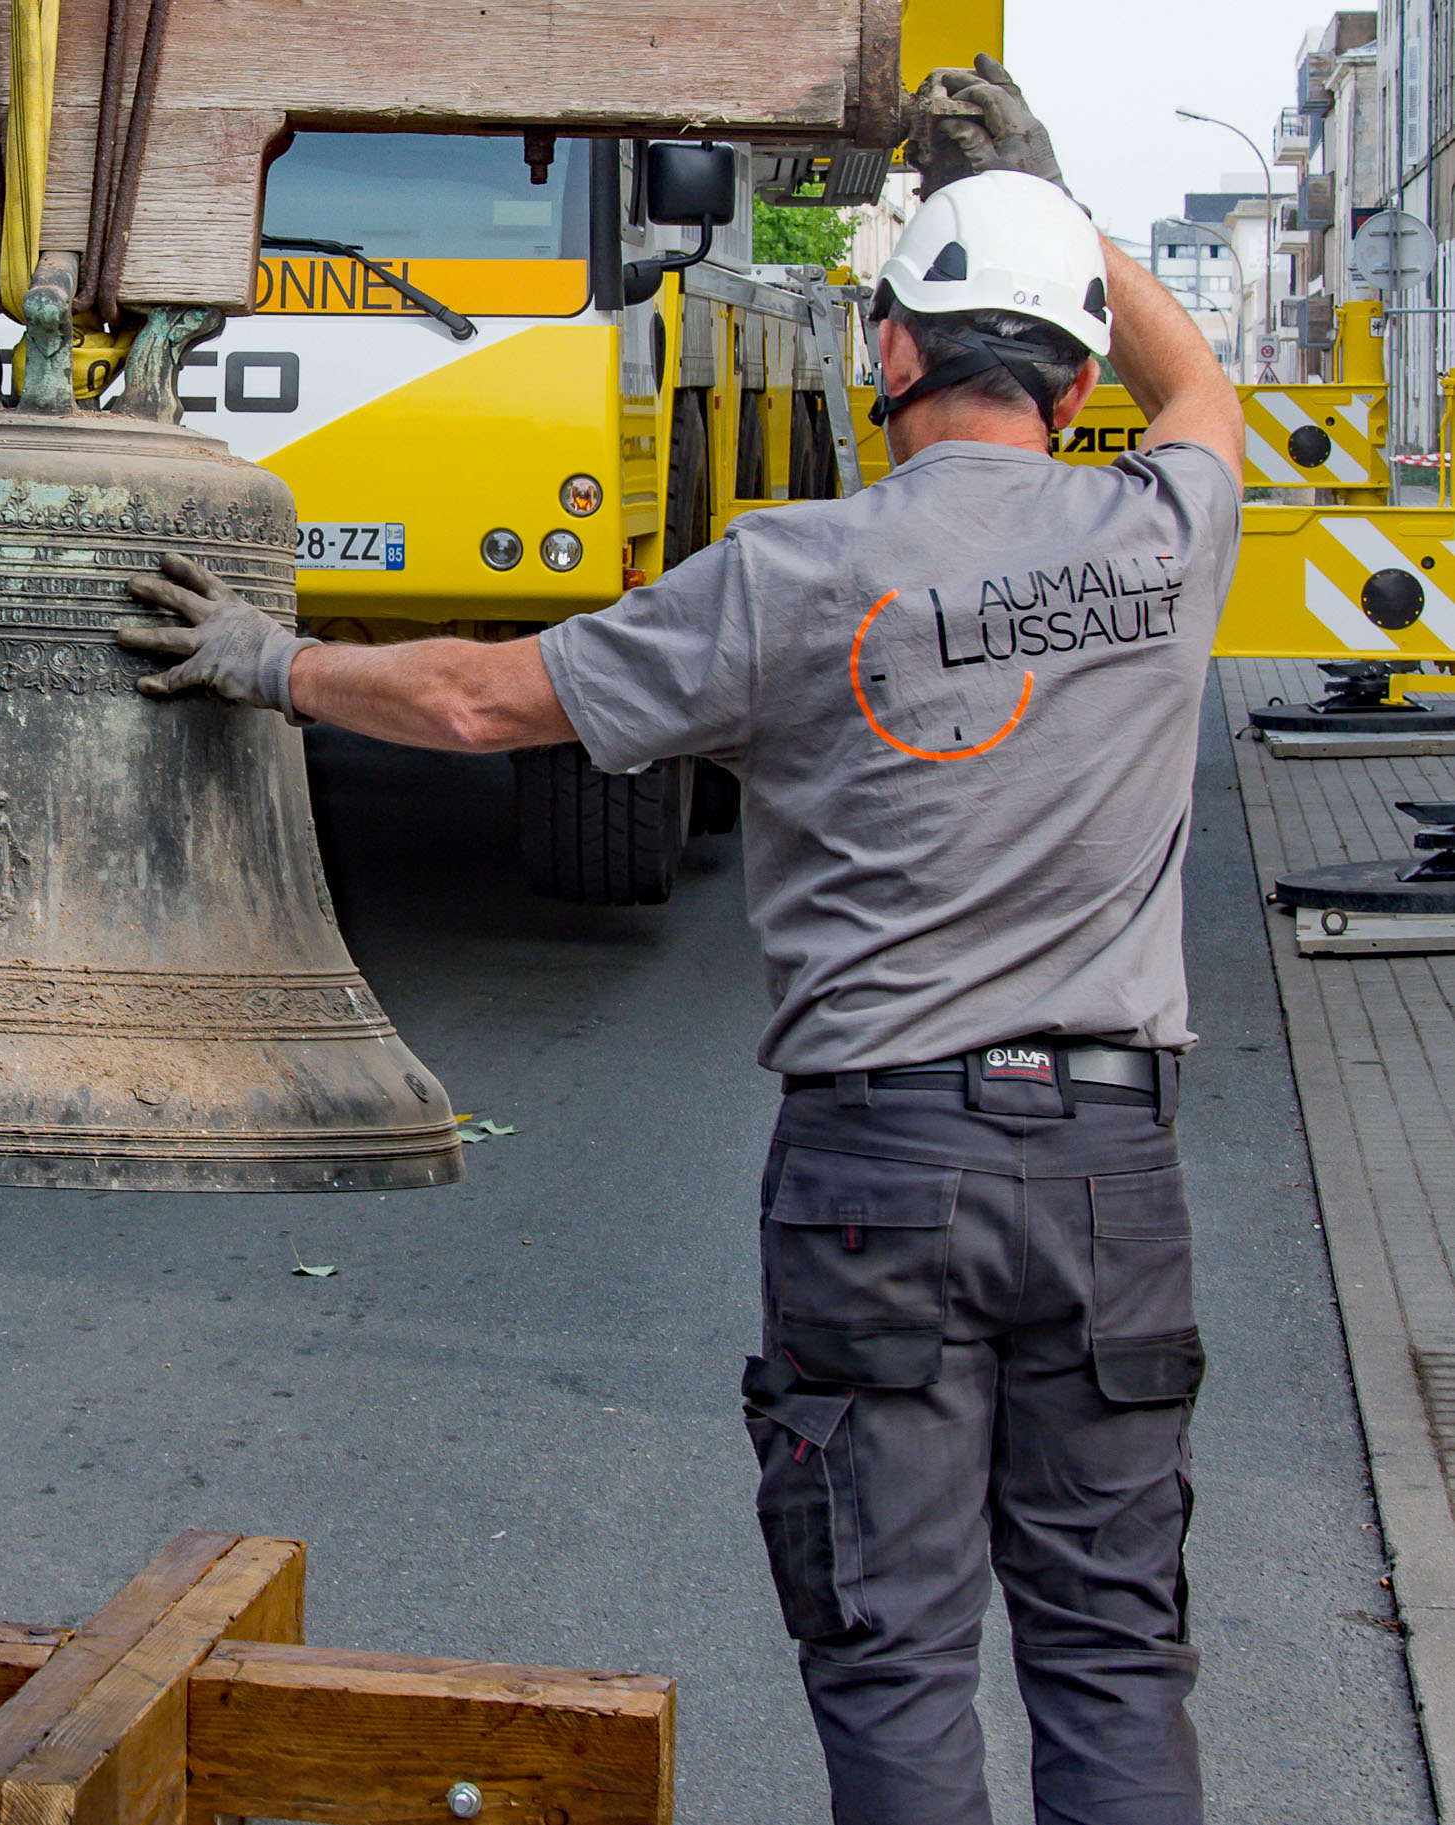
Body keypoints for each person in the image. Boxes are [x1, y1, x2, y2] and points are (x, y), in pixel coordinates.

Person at [119, 61, 1241, 1825]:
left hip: (882, 1163)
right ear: (1078, 381)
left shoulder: (785, 574)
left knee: (891, 1646)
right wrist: (1041, 201)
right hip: (1112, 1167)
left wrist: (275, 664)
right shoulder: (1167, 536)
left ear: (883, 354)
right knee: (1109, 1646)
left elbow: (485, 703)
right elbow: (1200, 382)